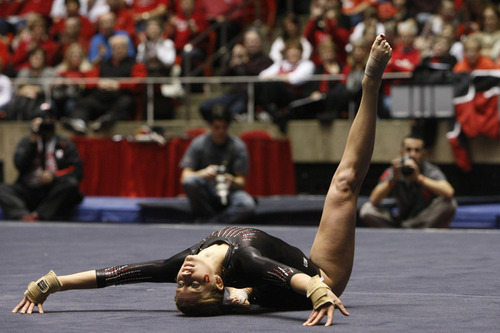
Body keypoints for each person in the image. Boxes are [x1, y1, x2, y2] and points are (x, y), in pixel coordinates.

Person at [12, 35, 392, 327]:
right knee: (343, 184)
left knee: (250, 290)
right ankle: (371, 86)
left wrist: (53, 283)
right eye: (193, 285)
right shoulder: (245, 259)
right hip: (323, 275)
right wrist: (319, 291)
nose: (183, 278)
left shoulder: (183, 263)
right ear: (216, 284)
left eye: (179, 285)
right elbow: (290, 276)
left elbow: (114, 276)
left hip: (267, 286)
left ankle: (245, 299)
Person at [0, 109, 84, 221]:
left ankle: (40, 215)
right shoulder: (27, 142)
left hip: (53, 192)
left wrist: (53, 177)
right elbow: (19, 166)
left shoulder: (64, 144)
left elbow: (77, 170)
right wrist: (33, 143)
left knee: (70, 184)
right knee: (3, 189)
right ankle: (22, 215)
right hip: (28, 189)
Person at [359, 134, 457, 229]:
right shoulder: (394, 170)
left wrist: (419, 178)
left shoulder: (430, 170)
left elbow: (449, 192)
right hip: (399, 221)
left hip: (423, 220)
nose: (412, 154)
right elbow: (374, 199)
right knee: (367, 209)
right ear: (402, 151)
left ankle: (409, 228)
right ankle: (402, 229)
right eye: (408, 150)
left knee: (450, 204)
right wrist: (393, 180)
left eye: (417, 150)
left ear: (424, 153)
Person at [180, 105, 256, 224]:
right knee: (190, 181)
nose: (221, 131)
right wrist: (203, 173)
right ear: (210, 125)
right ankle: (209, 219)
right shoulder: (199, 143)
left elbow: (241, 182)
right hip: (205, 189)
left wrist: (231, 180)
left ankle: (211, 223)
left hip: (229, 190)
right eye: (217, 127)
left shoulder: (238, 146)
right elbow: (185, 177)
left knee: (247, 205)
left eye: (224, 127)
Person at [62, 34, 147, 134]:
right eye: (115, 47)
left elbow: (139, 82)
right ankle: (79, 122)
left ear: (127, 48)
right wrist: (99, 82)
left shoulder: (136, 64)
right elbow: (89, 77)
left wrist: (119, 85)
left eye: (121, 47)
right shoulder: (103, 63)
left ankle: (106, 121)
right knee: (85, 101)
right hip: (102, 97)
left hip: (121, 97)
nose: (118, 49)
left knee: (126, 102)